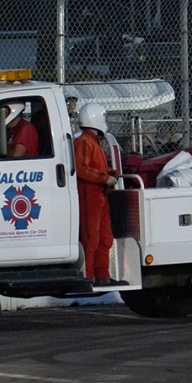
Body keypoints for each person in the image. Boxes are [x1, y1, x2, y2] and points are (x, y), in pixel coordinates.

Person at [73, 102, 120, 286]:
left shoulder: (93, 141)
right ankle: (90, 276)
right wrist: (104, 178)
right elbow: (81, 168)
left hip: (100, 195)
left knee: (105, 237)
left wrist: (110, 174)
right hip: (89, 193)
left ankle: (102, 275)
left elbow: (96, 167)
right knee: (91, 237)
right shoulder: (84, 141)